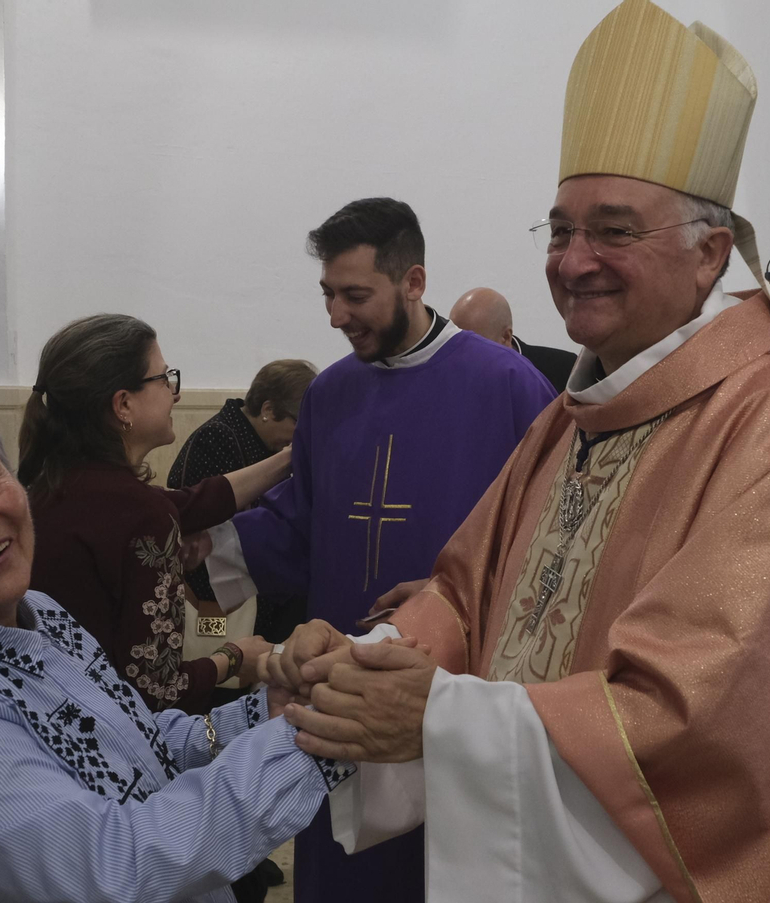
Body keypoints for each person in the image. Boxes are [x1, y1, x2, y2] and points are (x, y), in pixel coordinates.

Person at [270, 3, 770, 901]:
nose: (572, 259)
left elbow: (703, 727)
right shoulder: (570, 418)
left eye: (615, 231)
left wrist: (438, 718)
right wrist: (365, 661)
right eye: (558, 229)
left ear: (710, 256)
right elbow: (468, 597)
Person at [0, 395, 369, 903]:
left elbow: (131, 748)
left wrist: (270, 712)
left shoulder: (39, 612)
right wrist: (325, 730)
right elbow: (119, 870)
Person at [195, 197, 556, 903]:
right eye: (328, 294)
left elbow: (549, 538)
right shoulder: (330, 394)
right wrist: (202, 549)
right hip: (339, 689)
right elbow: (299, 523)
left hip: (450, 698)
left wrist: (452, 588)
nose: (336, 314)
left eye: (355, 295)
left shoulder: (509, 387)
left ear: (413, 282)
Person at [18, 314, 279, 716]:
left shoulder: (51, 484)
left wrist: (290, 459)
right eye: (164, 378)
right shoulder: (141, 513)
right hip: (111, 731)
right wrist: (233, 655)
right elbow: (158, 689)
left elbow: (192, 502)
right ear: (123, 404)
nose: (174, 393)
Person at [169, 358, 319, 649]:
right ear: (268, 410)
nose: (300, 437)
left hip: (261, 591)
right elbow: (193, 526)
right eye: (298, 424)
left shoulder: (259, 442)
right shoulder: (216, 439)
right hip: (217, 599)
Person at [449, 286, 577, 393]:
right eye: (455, 344)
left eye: (475, 347)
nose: (463, 356)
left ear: (506, 337)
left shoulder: (564, 369)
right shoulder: (450, 376)